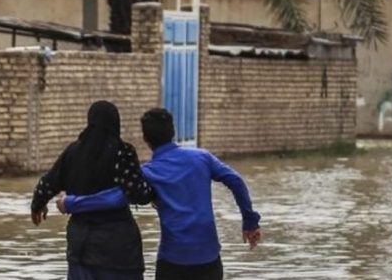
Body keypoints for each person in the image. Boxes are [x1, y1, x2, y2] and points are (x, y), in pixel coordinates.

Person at [59, 108, 262, 280]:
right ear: (173, 131)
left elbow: (116, 197)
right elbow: (235, 180)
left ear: (145, 139)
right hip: (208, 259)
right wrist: (250, 221)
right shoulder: (201, 158)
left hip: (173, 261)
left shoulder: (149, 172)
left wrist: (71, 203)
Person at [29, 101, 155, 280]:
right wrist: (153, 190)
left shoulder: (73, 152)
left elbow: (47, 183)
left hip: (81, 245)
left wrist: (37, 205)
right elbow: (139, 194)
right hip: (118, 247)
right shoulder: (123, 152)